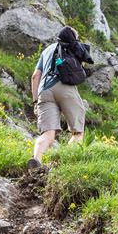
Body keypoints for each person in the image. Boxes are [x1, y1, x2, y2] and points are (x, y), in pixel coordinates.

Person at [29, 25, 93, 166]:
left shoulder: (46, 51)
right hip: (65, 88)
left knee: (48, 134)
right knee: (77, 132)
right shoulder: (73, 48)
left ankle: (36, 159)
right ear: (74, 39)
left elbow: (35, 76)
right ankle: (65, 164)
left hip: (44, 90)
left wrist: (35, 102)